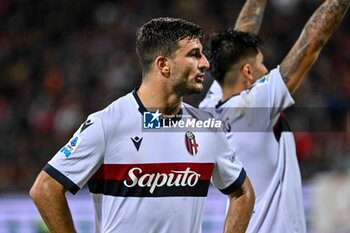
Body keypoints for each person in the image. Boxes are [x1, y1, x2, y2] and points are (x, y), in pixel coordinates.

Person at [29, 17, 255, 233]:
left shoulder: (207, 128)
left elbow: (243, 193)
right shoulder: (107, 124)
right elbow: (45, 189)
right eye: (194, 54)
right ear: (163, 65)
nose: (205, 63)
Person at [199, 0, 350, 232]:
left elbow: (239, 39)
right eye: (261, 63)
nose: (266, 70)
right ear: (247, 72)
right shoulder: (255, 107)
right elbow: (313, 41)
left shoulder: (210, 105)